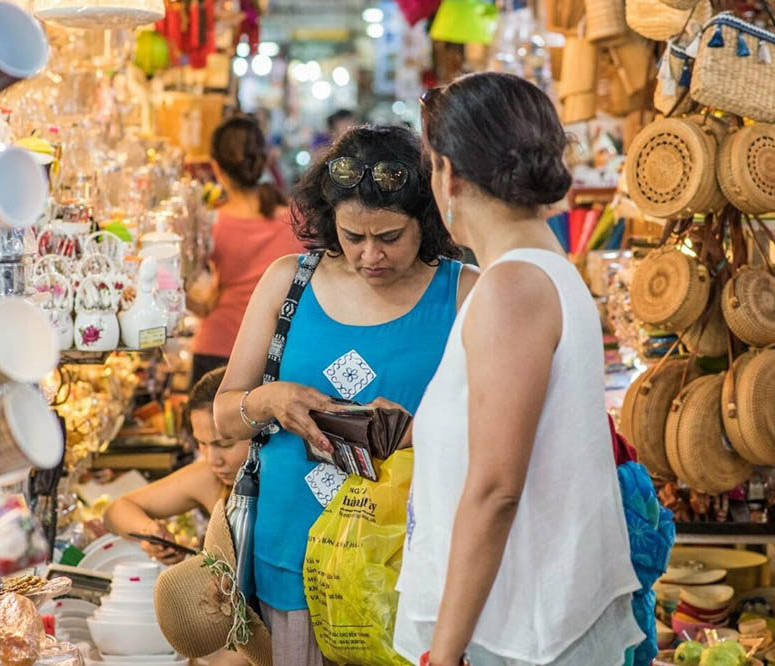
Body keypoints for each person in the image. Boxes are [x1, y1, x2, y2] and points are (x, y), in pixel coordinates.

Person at [395, 72, 642, 666]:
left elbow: (496, 488)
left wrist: (445, 654)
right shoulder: (537, 271)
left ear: (449, 173)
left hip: (514, 634)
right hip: (519, 619)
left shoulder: (513, 285)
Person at [214, 124, 478, 666]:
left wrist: (418, 433)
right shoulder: (289, 281)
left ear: (427, 221)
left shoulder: (467, 292)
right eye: (353, 236)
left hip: (408, 562)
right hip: (291, 553)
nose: (369, 256)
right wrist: (271, 401)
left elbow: (505, 435)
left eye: (389, 237)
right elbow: (224, 414)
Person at [189, 117, 304, 385]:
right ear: (264, 161)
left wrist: (202, 303)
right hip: (276, 353)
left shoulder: (210, 222)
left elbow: (182, 287)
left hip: (216, 346)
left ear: (216, 167)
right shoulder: (297, 219)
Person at [104, 367, 247, 566]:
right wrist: (149, 531)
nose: (213, 459)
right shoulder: (209, 478)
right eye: (202, 444)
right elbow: (116, 511)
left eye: (224, 444)